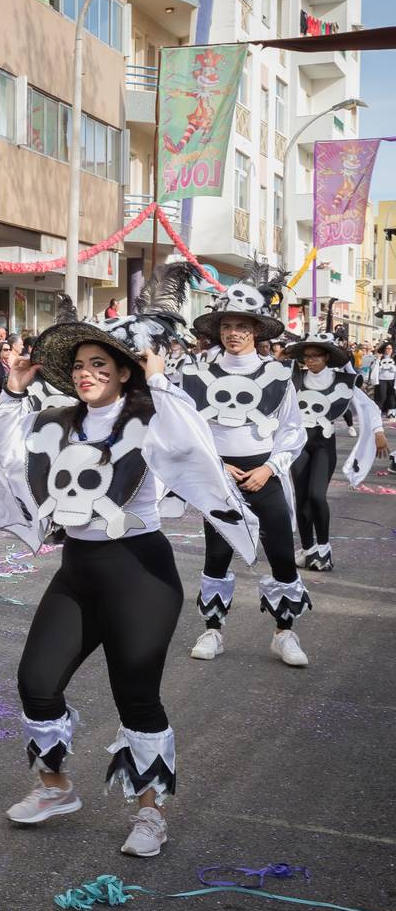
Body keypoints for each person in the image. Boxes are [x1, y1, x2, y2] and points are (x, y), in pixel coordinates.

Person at [0, 309, 258, 857]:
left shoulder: (153, 416)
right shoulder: (57, 422)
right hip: (78, 571)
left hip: (141, 572)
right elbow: (9, 459)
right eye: (80, 366)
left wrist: (157, 379)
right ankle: (55, 788)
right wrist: (15, 392)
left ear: (124, 371)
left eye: (100, 365)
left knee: (135, 696)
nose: (87, 374)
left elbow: (192, 444)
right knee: (36, 682)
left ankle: (150, 814)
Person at [179, 267, 311, 667]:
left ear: (257, 331)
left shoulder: (278, 374)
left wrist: (270, 468)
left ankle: (284, 634)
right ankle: (212, 630)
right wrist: (215, 465)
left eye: (242, 326)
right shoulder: (195, 373)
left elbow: (292, 430)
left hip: (263, 473)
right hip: (218, 475)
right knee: (217, 552)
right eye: (227, 325)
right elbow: (184, 427)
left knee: (281, 553)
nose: (233, 332)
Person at [285, 332, 387, 571]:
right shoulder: (295, 379)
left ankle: (323, 548)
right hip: (299, 444)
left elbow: (367, 406)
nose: (310, 361)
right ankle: (308, 550)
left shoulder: (342, 381)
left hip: (323, 445)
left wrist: (378, 431)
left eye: (316, 356)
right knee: (301, 498)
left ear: (326, 357)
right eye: (307, 357)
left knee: (317, 496)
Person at [373, 341, 396, 416]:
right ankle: (378, 410)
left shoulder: (394, 358)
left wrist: (394, 368)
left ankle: (391, 410)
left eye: (390, 348)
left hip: (392, 379)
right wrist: (378, 360)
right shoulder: (380, 358)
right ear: (384, 349)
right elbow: (374, 368)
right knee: (382, 396)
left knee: (392, 395)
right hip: (382, 379)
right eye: (387, 348)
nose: (389, 350)